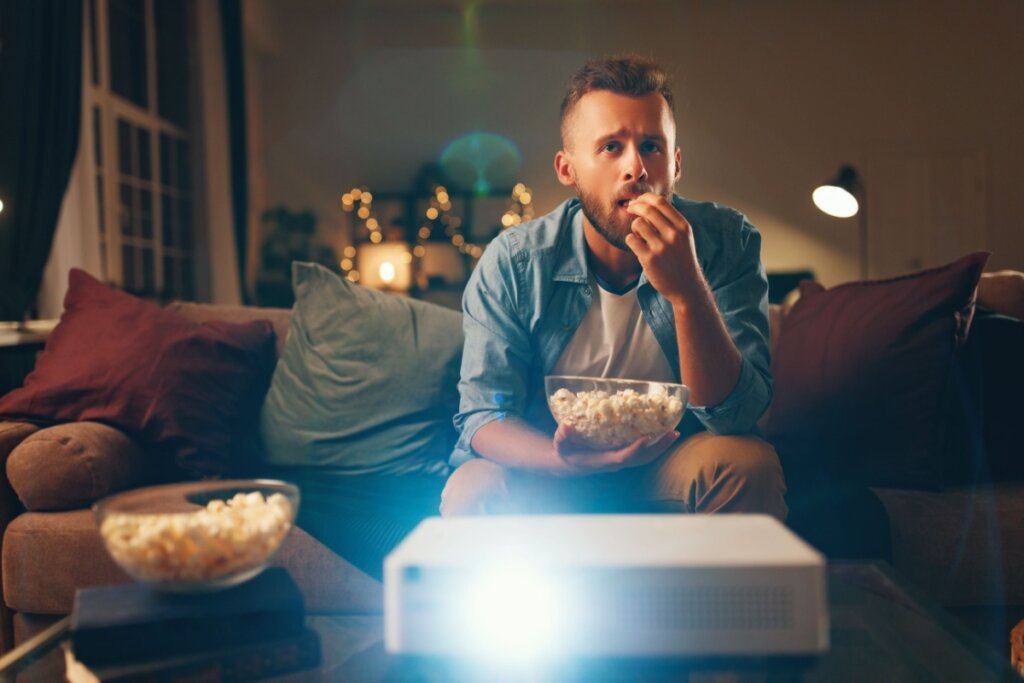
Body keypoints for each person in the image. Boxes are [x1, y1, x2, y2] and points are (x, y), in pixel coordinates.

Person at [440, 55, 787, 520]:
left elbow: (735, 417)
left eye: (651, 146)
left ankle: (715, 597)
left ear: (676, 163)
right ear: (568, 170)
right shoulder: (515, 262)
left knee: (747, 464)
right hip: (551, 464)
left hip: (670, 459)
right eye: (610, 148)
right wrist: (563, 459)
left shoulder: (727, 241)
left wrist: (688, 292)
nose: (636, 168)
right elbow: (484, 416)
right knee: (472, 487)